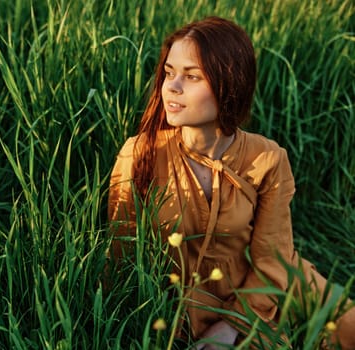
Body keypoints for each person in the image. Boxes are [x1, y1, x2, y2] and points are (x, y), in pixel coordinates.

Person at [108, 16, 355, 349]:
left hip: (262, 284)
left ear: (229, 84)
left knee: (349, 325)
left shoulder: (268, 157)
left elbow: (273, 257)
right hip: (186, 297)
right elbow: (121, 258)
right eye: (169, 73)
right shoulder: (139, 153)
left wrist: (234, 323)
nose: (172, 87)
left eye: (191, 76)